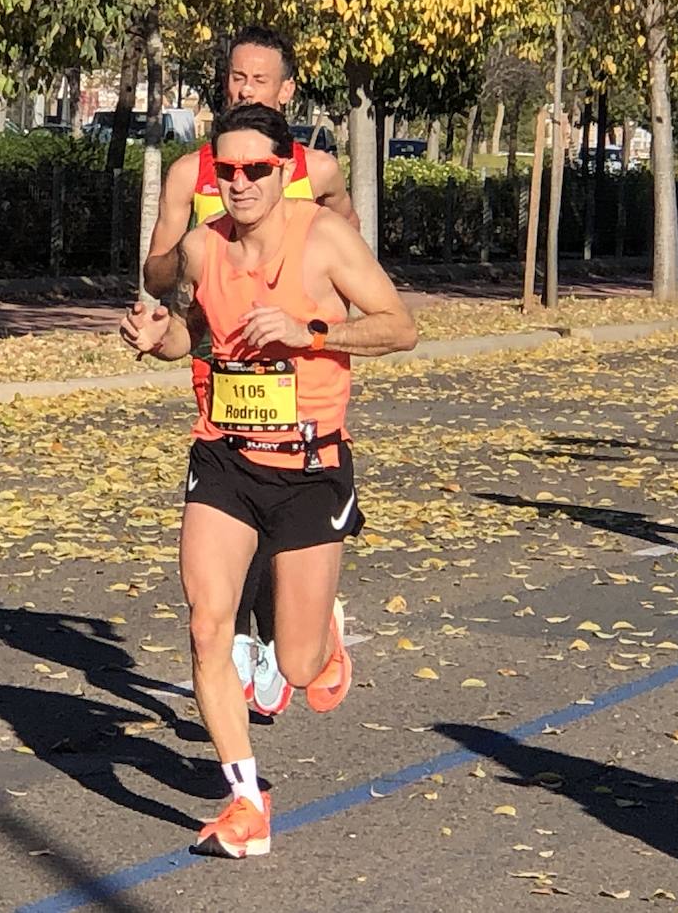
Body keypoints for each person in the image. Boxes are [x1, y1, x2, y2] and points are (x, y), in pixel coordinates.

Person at [119, 103, 417, 858]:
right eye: (229, 170)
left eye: (258, 168)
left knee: (296, 665)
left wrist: (311, 331)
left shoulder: (324, 241)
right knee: (205, 623)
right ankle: (247, 801)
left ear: (284, 171)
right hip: (225, 457)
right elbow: (196, 333)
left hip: (312, 468)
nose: (242, 182)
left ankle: (324, 646)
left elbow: (399, 325)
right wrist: (161, 341)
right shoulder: (199, 248)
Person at [142, 25, 358, 712]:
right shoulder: (190, 173)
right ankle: (234, 636)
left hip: (297, 373)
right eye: (236, 78)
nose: (243, 88)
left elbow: (356, 260)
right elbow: (155, 269)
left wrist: (315, 321)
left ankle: (297, 631)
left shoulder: (315, 173)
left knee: (281, 520)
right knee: (230, 509)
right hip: (222, 365)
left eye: (258, 80)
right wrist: (179, 266)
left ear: (286, 91)